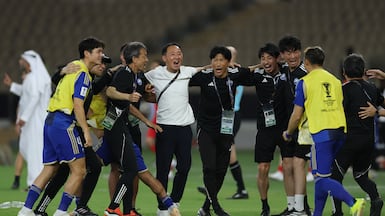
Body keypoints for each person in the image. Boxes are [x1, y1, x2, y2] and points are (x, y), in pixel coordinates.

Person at [17, 37, 105, 216]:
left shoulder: (72, 67)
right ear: (87, 54)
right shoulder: (83, 74)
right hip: (65, 123)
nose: (101, 55)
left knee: (50, 169)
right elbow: (78, 104)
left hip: (50, 120)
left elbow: (57, 79)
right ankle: (61, 212)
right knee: (79, 170)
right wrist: (87, 133)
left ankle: (25, 211)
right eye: (98, 52)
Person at [282, 46, 365, 216]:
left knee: (321, 180)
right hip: (340, 132)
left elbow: (296, 115)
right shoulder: (335, 80)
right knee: (322, 175)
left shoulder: (305, 82)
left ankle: (354, 203)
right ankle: (317, 213)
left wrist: (288, 133)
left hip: (321, 133)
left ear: (306, 62)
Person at [104, 41, 181, 216]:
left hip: (125, 127)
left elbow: (138, 100)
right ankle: (112, 209)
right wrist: (128, 96)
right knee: (131, 169)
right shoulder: (123, 74)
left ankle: (125, 209)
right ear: (134, 58)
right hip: (116, 127)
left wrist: (151, 102)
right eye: (144, 56)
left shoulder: (137, 76)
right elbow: (110, 92)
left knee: (97, 164)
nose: (146, 59)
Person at [32, 54, 113, 216]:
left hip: (73, 126)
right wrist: (62, 70)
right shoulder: (78, 72)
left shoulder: (90, 78)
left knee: (76, 169)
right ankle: (73, 207)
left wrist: (110, 75)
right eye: (101, 62)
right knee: (69, 170)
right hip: (70, 126)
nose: (102, 65)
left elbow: (95, 89)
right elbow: (58, 81)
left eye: (105, 64)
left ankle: (48, 208)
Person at [190, 46, 254, 216]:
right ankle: (216, 207)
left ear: (228, 62)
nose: (217, 63)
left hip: (226, 129)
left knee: (221, 170)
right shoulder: (204, 77)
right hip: (206, 130)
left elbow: (252, 71)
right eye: (215, 60)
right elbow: (183, 76)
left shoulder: (235, 75)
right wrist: (203, 68)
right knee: (209, 168)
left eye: (221, 60)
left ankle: (205, 208)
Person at [144, 42, 206, 216]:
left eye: (179, 54)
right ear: (164, 58)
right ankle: (162, 207)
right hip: (164, 129)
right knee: (163, 170)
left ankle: (174, 201)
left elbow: (206, 68)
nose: (177, 57)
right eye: (172, 54)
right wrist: (147, 92)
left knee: (184, 167)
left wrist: (224, 64)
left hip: (185, 128)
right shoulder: (155, 74)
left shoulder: (187, 71)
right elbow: (138, 83)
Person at [330, 54, 384, 216]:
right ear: (364, 72)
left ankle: (338, 212)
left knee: (335, 178)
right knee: (361, 176)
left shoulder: (342, 90)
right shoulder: (372, 88)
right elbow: (382, 105)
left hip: (347, 141)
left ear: (344, 72)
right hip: (367, 142)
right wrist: (377, 111)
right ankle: (375, 199)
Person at [250, 43, 295, 216]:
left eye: (269, 57)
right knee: (263, 168)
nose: (266, 61)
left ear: (277, 59)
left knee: (289, 167)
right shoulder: (257, 75)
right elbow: (244, 72)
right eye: (263, 58)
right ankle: (265, 206)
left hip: (285, 128)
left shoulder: (286, 72)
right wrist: (259, 66)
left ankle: (293, 206)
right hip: (265, 129)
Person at [3, 50, 51, 191]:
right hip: (31, 120)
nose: (20, 62)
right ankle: (37, 182)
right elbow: (26, 93)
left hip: (35, 120)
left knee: (34, 151)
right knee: (27, 150)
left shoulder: (34, 77)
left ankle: (34, 184)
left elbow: (34, 98)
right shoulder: (33, 77)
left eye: (22, 60)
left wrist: (23, 118)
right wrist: (12, 85)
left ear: (29, 62)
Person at [276, 35, 312, 215]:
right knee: (288, 166)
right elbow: (264, 65)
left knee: (299, 167)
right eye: (287, 53)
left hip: (304, 129)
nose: (292, 56)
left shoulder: (308, 73)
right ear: (282, 55)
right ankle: (292, 207)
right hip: (286, 128)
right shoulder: (282, 72)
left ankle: (302, 207)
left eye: (295, 52)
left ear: (300, 52)